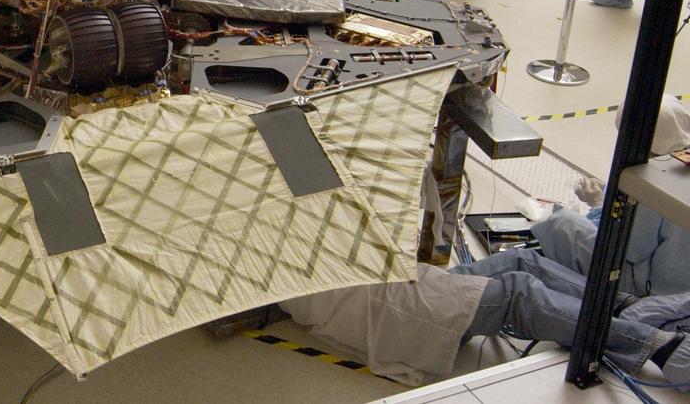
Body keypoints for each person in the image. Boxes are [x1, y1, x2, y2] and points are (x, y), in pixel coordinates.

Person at [279, 246, 690, 387]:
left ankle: (620, 308)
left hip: (392, 286)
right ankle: (654, 347)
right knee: (518, 294)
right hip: (385, 310)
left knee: (523, 260)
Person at [533, 94, 690, 297]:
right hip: (679, 286)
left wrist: (599, 206)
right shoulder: (678, 161)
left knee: (559, 222)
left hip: (651, 290)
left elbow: (632, 249)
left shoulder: (656, 184)